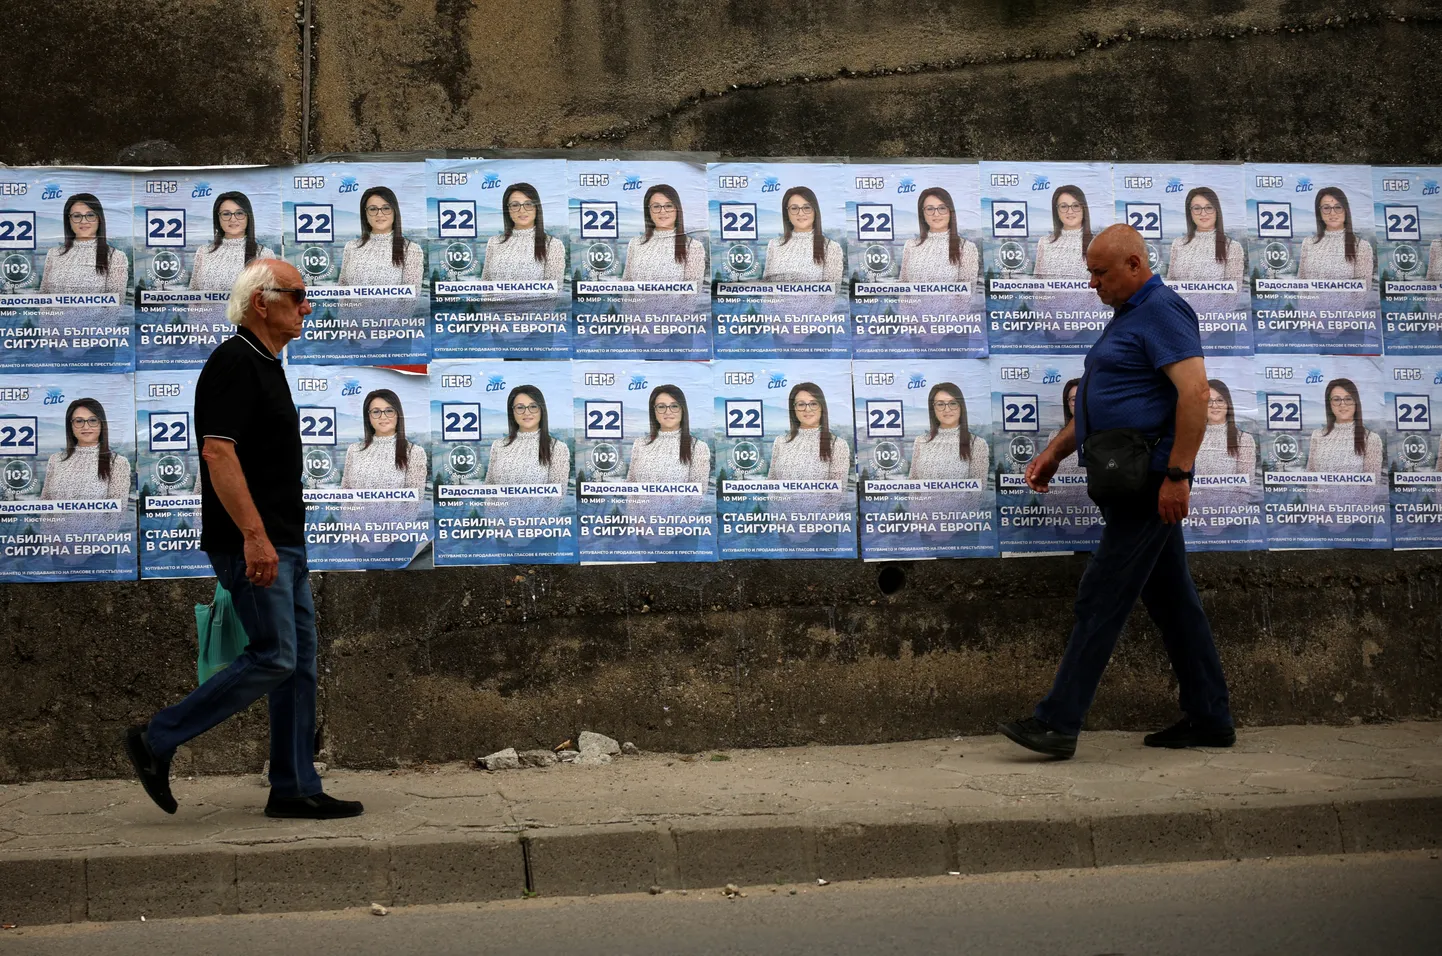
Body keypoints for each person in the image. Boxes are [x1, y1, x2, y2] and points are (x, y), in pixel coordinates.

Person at [125, 259, 363, 820]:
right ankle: (157, 737)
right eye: (298, 295)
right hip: (255, 544)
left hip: (284, 539)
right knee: (276, 655)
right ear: (263, 301)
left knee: (299, 660)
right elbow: (217, 453)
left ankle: (295, 786)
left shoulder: (268, 363)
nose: (308, 306)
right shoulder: (233, 362)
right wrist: (255, 538)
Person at [999, 224, 1233, 759]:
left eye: (1100, 272)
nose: (1093, 283)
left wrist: (1178, 475)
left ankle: (1057, 723)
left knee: (1100, 596)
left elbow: (1195, 393)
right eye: (1088, 272)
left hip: (1149, 483)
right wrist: (1054, 454)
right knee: (1174, 602)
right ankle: (1210, 717)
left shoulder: (1163, 310)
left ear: (1134, 265)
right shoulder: (1128, 317)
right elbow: (1101, 405)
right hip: (1131, 481)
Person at [40, 398, 131, 500]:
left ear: (102, 424)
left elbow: (117, 514)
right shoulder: (55, 460)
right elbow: (46, 506)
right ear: (70, 426)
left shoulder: (117, 463)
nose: (86, 427)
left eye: (93, 420)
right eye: (79, 421)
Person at [40, 193, 128, 295]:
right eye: (77, 216)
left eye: (90, 215)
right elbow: (44, 298)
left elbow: (114, 308)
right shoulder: (53, 254)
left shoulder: (116, 257)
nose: (83, 221)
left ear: (99, 219)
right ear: (69, 221)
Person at [340, 389, 427, 490]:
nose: (383, 417)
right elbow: (346, 495)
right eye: (376, 412)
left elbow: (414, 502)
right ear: (368, 417)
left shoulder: (414, 452)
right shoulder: (354, 450)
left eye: (389, 411)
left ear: (398, 414)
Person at [338, 186, 423, 289]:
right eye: (373, 209)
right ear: (365, 213)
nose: (379, 214)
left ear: (394, 211)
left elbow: (409, 300)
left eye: (386, 208)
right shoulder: (351, 247)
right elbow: (343, 291)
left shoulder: (411, 249)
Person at [483, 386, 571, 484]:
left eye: (533, 406)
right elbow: (490, 491)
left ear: (541, 409)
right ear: (512, 412)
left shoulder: (558, 448)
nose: (527, 413)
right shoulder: (498, 446)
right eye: (520, 407)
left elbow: (556, 497)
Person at [189, 192, 275, 291]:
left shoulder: (264, 254)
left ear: (248, 217)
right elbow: (194, 296)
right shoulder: (203, 252)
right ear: (218, 218)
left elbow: (269, 298)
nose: (233, 219)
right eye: (226, 214)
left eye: (239, 213)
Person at [625, 385, 711, 483]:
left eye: (674, 406)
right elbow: (631, 486)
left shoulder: (698, 448)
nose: (668, 412)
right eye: (661, 407)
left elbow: (697, 494)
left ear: (682, 409)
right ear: (654, 411)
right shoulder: (639, 444)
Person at [481, 183, 566, 281]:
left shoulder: (553, 245)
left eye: (528, 204)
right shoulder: (494, 242)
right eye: (515, 205)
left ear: (536, 208)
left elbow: (554, 291)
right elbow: (486, 286)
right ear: (508, 210)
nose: (522, 210)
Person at [621, 185, 707, 281]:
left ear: (677, 209)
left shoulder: (693, 247)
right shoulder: (635, 244)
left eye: (668, 206)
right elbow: (627, 285)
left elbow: (692, 293)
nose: (662, 211)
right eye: (656, 206)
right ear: (648, 211)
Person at [768, 382, 851, 481]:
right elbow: (772, 484)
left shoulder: (837, 445)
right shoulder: (780, 442)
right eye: (801, 404)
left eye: (813, 404)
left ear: (821, 407)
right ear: (794, 409)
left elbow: (837, 493)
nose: (807, 409)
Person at [762, 187, 844, 282]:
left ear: (815, 211)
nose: (800, 213)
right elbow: (768, 291)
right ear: (787, 213)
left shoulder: (831, 248)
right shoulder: (774, 245)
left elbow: (830, 294)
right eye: (794, 208)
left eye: (806, 208)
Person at [1297, 188, 1374, 289]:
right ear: (1319, 211)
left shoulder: (1361, 246)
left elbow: (1361, 294)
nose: (1332, 213)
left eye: (1338, 207)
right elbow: (1302, 285)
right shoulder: (1308, 243)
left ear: (1345, 210)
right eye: (1326, 208)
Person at [899, 188, 979, 283]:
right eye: (930, 209)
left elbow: (966, 293)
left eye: (942, 208)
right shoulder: (910, 245)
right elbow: (904, 287)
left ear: (950, 211)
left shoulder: (966, 248)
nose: (936, 214)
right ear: (922, 213)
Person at [909, 383, 988, 479]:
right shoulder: (920, 441)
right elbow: (914, 486)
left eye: (953, 403)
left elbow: (977, 490)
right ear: (933, 408)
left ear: (961, 406)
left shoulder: (977, 444)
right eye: (940, 404)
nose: (947, 409)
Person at [1306, 378, 1382, 476]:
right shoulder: (1317, 436)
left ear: (1356, 402)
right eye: (1336, 399)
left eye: (1348, 399)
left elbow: (1372, 487)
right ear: (1330, 404)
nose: (1342, 404)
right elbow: (1312, 480)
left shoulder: (1371, 439)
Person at [1166, 187, 1244, 282]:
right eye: (1197, 208)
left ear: (1217, 210)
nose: (1203, 213)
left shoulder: (1232, 247)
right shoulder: (1178, 244)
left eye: (1209, 208)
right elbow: (1171, 284)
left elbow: (1233, 293)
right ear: (1190, 212)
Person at [1195, 380, 1256, 476]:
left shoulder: (1244, 440)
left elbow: (1246, 485)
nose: (1214, 405)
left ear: (1228, 403)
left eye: (1220, 400)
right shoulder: (1191, 440)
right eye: (1208, 401)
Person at [1032, 186, 1092, 279]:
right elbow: (1038, 286)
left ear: (1083, 208)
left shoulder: (1097, 243)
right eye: (1064, 206)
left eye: (1076, 206)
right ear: (1056, 211)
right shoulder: (1044, 243)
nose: (1070, 211)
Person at [1044, 378, 1083, 475]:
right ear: (1068, 404)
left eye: (1082, 399)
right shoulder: (1054, 437)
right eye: (1074, 399)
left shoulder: (1100, 436)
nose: (1079, 404)